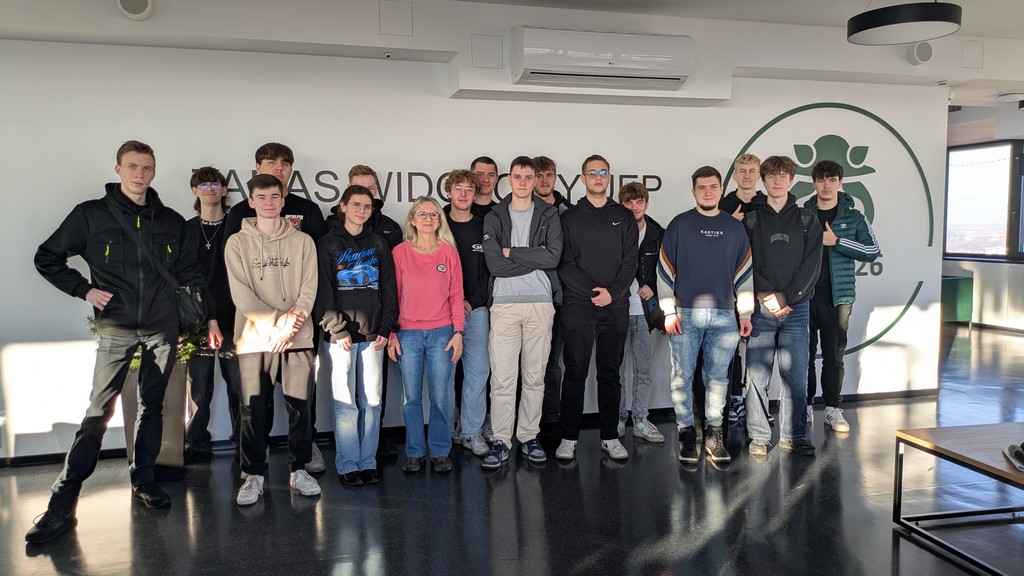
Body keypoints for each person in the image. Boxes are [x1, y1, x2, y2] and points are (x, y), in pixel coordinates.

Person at [29, 140, 204, 544]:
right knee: (98, 412)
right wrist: (84, 290)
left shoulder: (171, 221)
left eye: (147, 168)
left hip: (162, 329)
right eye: (132, 166)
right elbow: (47, 257)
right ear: (118, 169)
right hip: (117, 328)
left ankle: (144, 479)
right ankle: (61, 505)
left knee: (152, 408)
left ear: (154, 172)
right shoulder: (90, 215)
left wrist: (190, 313)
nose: (140, 174)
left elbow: (190, 272)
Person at [224, 142, 327, 474]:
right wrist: (274, 325)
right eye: (262, 197)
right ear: (251, 201)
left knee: (301, 406)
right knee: (254, 407)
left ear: (283, 200)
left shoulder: (304, 232)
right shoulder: (237, 235)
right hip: (256, 337)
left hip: (298, 334)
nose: (269, 202)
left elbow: (311, 283)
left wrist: (291, 324)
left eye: (275, 197)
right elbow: (240, 289)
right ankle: (254, 468)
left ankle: (301, 464)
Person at [658, 166, 754, 466]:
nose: (708, 192)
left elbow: (745, 274)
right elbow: (664, 271)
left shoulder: (734, 228)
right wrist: (668, 310)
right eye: (702, 187)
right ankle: (687, 433)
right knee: (681, 377)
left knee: (717, 379)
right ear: (693, 191)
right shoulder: (679, 224)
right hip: (685, 313)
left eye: (713, 187)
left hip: (725, 315)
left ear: (721, 190)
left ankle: (714, 435)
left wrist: (745, 313)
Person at [556, 155, 638, 462]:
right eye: (592, 172)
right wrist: (594, 293)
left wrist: (612, 293)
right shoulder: (569, 218)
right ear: (583, 178)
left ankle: (609, 437)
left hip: (615, 306)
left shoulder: (624, 216)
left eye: (603, 172)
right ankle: (568, 437)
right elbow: (565, 263)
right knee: (575, 372)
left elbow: (630, 261)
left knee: (610, 373)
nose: (598, 176)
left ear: (609, 177)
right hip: (579, 306)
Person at [481, 156, 562, 469]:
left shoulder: (549, 213)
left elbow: (553, 258)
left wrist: (512, 252)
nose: (524, 182)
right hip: (504, 304)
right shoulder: (494, 216)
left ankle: (529, 436)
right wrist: (534, 256)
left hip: (540, 303)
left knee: (534, 377)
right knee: (503, 378)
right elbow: (494, 264)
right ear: (509, 180)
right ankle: (501, 440)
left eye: (530, 177)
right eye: (518, 177)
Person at [317, 185, 398, 486]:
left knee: (372, 401)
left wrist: (386, 327)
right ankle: (348, 464)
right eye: (356, 205)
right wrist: (337, 328)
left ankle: (368, 461)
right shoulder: (327, 243)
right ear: (343, 206)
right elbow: (323, 290)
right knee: (346, 403)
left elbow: (389, 288)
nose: (362, 211)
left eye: (367, 206)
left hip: (374, 336)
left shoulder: (378, 244)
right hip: (340, 338)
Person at [743, 156, 822, 457]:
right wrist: (768, 296)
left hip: (797, 309)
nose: (777, 182)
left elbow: (812, 266)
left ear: (791, 180)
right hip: (761, 309)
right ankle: (759, 436)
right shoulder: (751, 219)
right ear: (763, 181)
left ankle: (794, 435)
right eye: (772, 176)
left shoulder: (807, 220)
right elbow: (746, 264)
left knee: (796, 377)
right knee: (757, 376)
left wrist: (787, 298)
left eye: (783, 176)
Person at [388, 197, 465, 474]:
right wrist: (392, 334)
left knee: (440, 397)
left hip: (442, 333)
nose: (428, 219)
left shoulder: (449, 253)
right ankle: (415, 452)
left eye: (434, 214)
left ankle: (441, 451)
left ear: (439, 220)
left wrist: (458, 332)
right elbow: (393, 296)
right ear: (412, 219)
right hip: (407, 334)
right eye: (422, 214)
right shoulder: (399, 253)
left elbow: (456, 295)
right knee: (411, 397)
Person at [804, 160, 881, 433]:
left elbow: (872, 251)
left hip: (839, 297)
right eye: (821, 180)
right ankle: (805, 407)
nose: (826, 185)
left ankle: (832, 409)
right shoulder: (803, 214)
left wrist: (836, 242)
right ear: (814, 183)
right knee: (803, 356)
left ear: (840, 182)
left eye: (832, 179)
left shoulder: (855, 217)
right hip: (805, 295)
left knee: (834, 356)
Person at [182, 166, 242, 460]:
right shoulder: (186, 230)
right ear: (195, 191)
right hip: (198, 318)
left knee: (239, 386)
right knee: (199, 388)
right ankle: (196, 443)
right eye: (203, 185)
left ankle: (243, 442)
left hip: (235, 317)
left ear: (224, 189)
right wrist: (206, 318)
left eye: (215, 184)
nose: (209, 189)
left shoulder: (237, 226)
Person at [345, 164, 403, 458]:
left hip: (379, 322)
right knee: (346, 391)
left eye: (370, 188)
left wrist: (389, 322)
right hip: (344, 325)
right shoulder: (333, 231)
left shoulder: (389, 228)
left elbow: (395, 280)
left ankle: (374, 440)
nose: (365, 195)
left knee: (375, 388)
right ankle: (349, 444)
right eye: (359, 188)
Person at [443, 170, 491, 457]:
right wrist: (452, 302)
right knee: (444, 375)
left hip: (476, 310)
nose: (463, 194)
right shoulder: (437, 223)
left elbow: (490, 270)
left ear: (476, 193)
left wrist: (470, 302)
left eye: (469, 189)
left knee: (477, 372)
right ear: (449, 191)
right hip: (440, 312)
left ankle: (472, 432)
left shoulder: (485, 225)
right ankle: (447, 431)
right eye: (458, 188)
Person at [616, 182, 666, 444]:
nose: (634, 207)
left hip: (646, 313)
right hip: (617, 311)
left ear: (646, 203)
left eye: (639, 202)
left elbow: (670, 269)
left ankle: (640, 420)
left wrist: (653, 286)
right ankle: (617, 419)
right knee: (616, 371)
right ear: (621, 205)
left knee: (643, 370)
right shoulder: (612, 232)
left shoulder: (658, 233)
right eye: (628, 202)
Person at [718, 153, 766, 423]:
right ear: (735, 175)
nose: (747, 176)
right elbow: (711, 247)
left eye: (752, 171)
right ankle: (735, 398)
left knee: (760, 347)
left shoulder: (767, 204)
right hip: (731, 287)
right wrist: (730, 225)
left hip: (764, 286)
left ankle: (756, 402)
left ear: (759, 175)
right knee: (732, 346)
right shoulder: (723, 205)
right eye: (742, 171)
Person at [532, 155, 572, 425]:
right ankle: (525, 421)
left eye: (549, 175)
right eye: (539, 175)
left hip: (562, 298)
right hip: (530, 296)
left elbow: (568, 255)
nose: (545, 180)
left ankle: (550, 419)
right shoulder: (521, 210)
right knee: (526, 364)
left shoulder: (569, 212)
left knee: (552, 363)